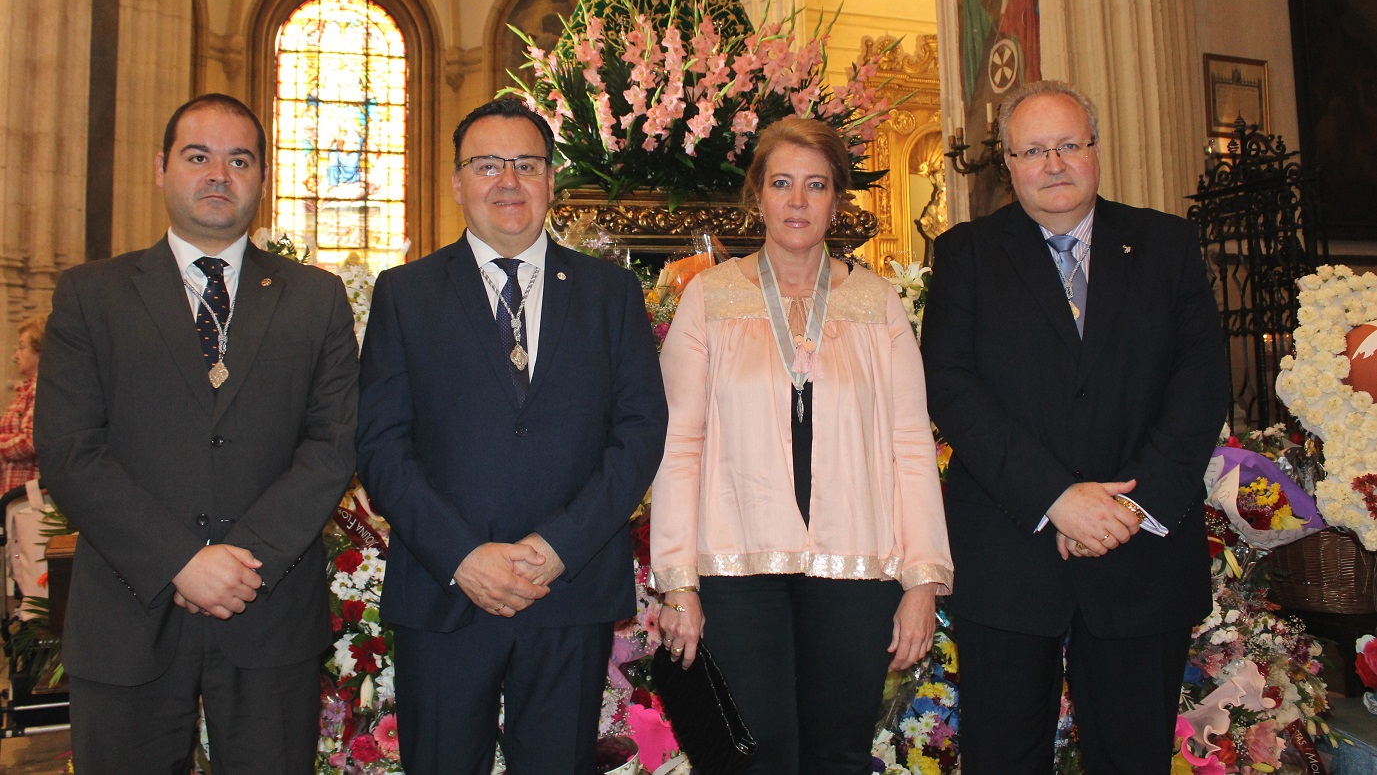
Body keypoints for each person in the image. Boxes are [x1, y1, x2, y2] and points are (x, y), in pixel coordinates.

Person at [34, 93, 359, 775]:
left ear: (261, 179)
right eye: (198, 156)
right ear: (161, 168)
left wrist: (242, 558)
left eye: (239, 159)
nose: (219, 174)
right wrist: (181, 559)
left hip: (266, 612)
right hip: (128, 613)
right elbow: (70, 449)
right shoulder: (91, 295)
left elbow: (333, 445)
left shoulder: (314, 297)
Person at [920, 82, 1229, 774]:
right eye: (1032, 150)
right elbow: (950, 387)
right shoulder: (965, 254)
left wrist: (1129, 504)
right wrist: (1055, 496)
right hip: (1009, 551)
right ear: (1007, 164)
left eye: (1067, 144)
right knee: (1003, 758)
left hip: (1138, 554)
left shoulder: (1166, 244)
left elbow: (1200, 382)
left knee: (1133, 758)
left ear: (1094, 150)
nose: (1052, 163)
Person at [355, 97, 668, 775]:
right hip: (445, 592)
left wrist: (560, 545)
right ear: (458, 180)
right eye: (488, 164)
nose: (507, 181)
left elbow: (640, 432)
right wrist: (462, 554)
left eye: (526, 164)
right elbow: (381, 445)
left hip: (569, 589)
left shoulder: (609, 292)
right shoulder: (404, 294)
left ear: (551, 180)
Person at [652, 118, 953, 775]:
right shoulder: (708, 297)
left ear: (835, 200)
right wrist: (678, 580)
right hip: (735, 570)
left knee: (836, 758)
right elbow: (679, 444)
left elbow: (909, 443)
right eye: (781, 183)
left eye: (814, 185)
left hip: (854, 570)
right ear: (756, 194)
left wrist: (921, 578)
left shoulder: (877, 304)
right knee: (749, 759)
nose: (796, 200)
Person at [0, 314, 45, 494]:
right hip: (13, 492)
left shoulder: (41, 389)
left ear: (40, 351)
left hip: (29, 498)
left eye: (21, 348)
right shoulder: (25, 390)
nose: (15, 356)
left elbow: (32, 440)